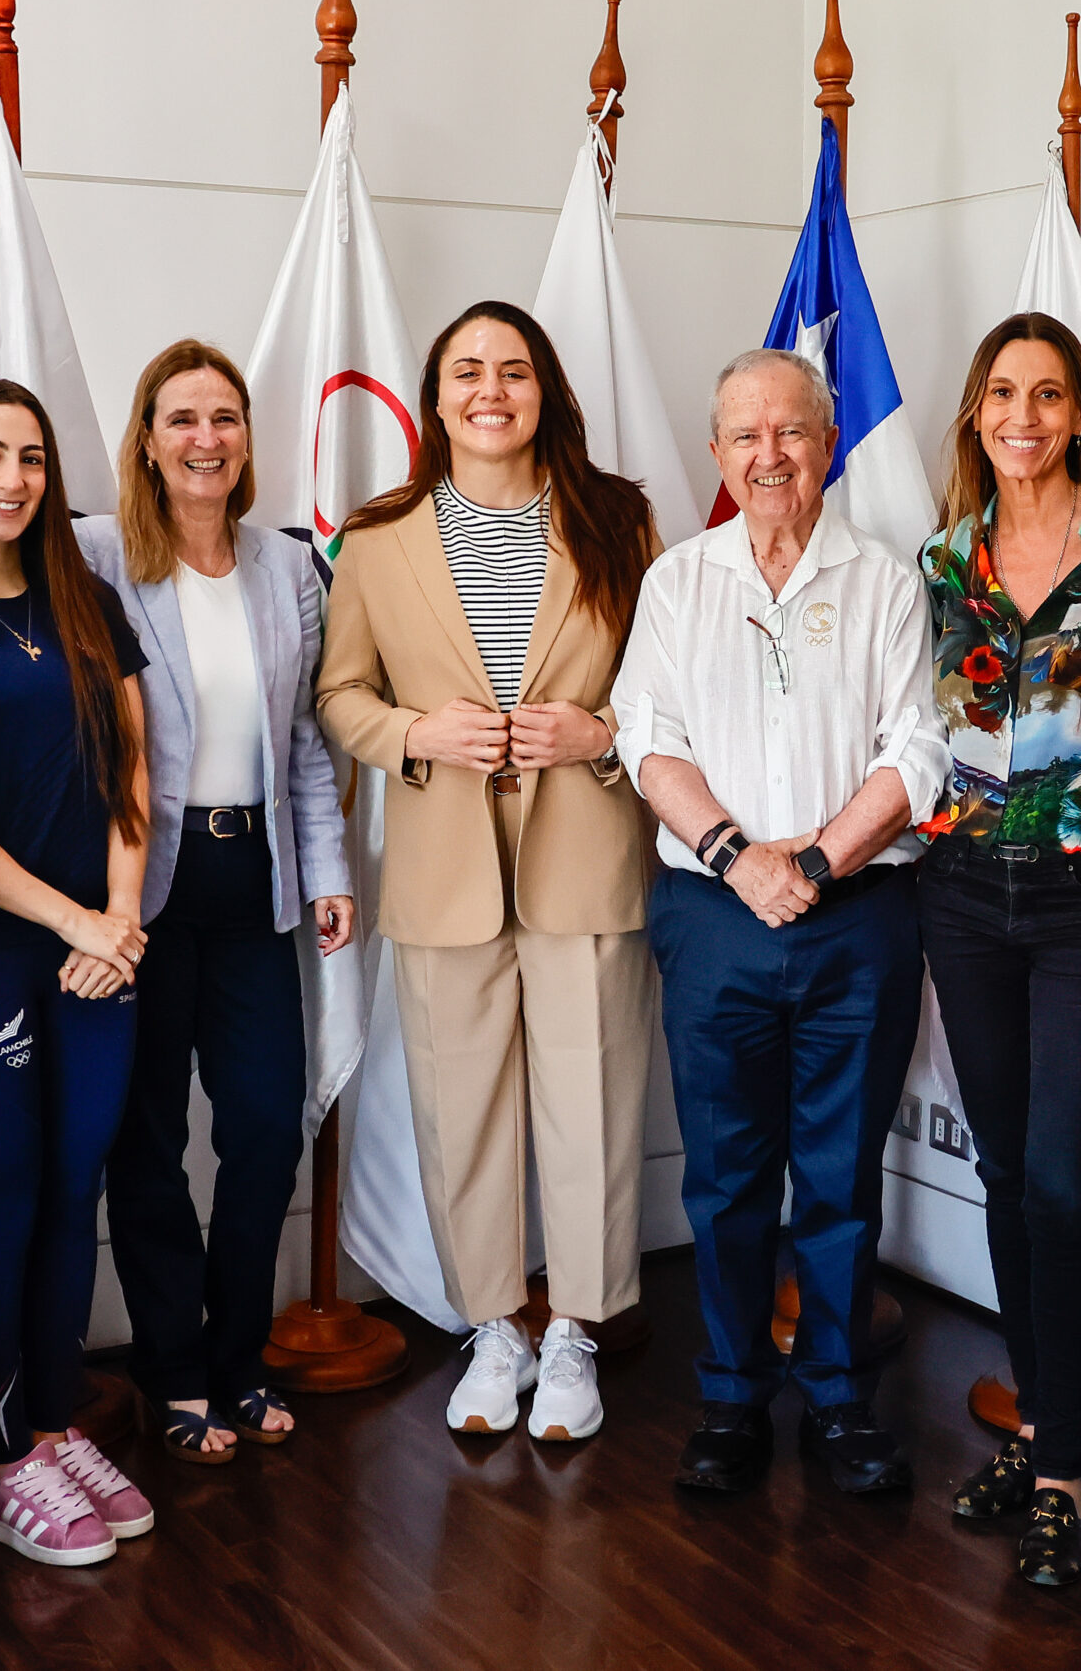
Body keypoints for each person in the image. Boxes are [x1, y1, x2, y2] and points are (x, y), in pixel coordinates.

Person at [317, 300, 660, 1443]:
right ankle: (492, 1330)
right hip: (442, 864)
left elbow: (664, 693)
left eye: (512, 370)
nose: (489, 390)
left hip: (586, 855)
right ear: (435, 395)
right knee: (460, 1111)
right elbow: (339, 698)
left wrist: (598, 733)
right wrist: (418, 734)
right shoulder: (377, 538)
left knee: (592, 1105)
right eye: (466, 370)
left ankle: (573, 1333)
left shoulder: (617, 519)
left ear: (544, 389)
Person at [612, 347, 950, 1495]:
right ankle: (729, 1399)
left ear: (827, 442)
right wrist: (734, 857)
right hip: (713, 918)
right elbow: (645, 740)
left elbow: (917, 747)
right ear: (718, 453)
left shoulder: (887, 581)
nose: (769, 455)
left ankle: (843, 1401)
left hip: (856, 917)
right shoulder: (675, 582)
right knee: (724, 1178)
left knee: (843, 1175)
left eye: (791, 432)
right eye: (746, 436)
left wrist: (810, 859)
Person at [914, 314, 1081, 1583]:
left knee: (1064, 1183)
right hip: (965, 890)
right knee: (1005, 1171)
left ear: (1078, 413)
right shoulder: (941, 556)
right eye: (999, 393)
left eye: (1046, 395)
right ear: (975, 412)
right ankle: (1037, 1426)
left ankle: (1066, 1476)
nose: (1021, 415)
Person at [78, 341, 352, 1462]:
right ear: (146, 438)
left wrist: (328, 872)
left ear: (247, 438)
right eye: (182, 419)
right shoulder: (95, 553)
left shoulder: (286, 565)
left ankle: (238, 1361)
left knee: (261, 1133)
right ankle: (175, 1369)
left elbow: (304, 742)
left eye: (225, 419)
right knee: (144, 1145)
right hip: (143, 887)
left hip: (258, 884)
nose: (206, 439)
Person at [0, 377, 156, 1566]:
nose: (13, 479)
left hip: (99, 950)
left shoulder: (86, 598)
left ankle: (51, 1424)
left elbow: (132, 768)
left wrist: (115, 914)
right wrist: (73, 923)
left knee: (71, 1187)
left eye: (35, 459)